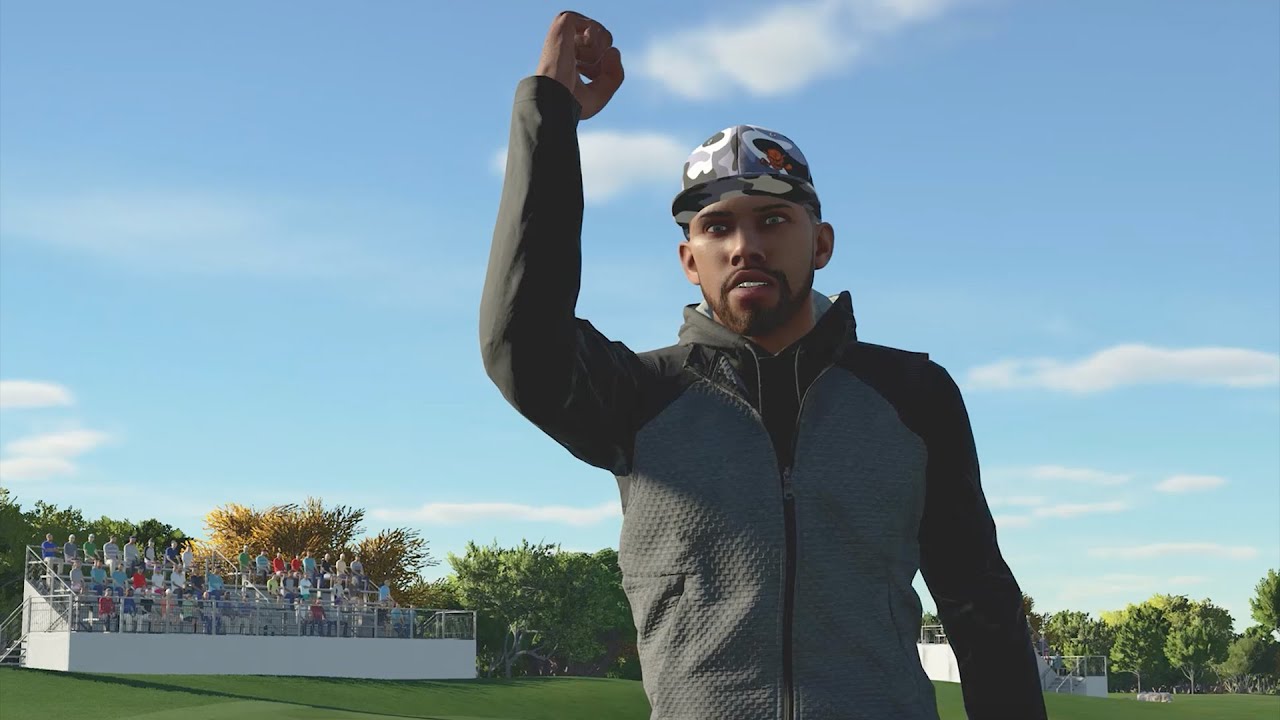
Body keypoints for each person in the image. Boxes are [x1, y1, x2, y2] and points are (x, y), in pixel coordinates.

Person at [478, 12, 1046, 720]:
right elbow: (519, 340)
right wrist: (549, 110)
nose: (745, 245)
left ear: (822, 244)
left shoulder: (914, 395)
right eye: (717, 226)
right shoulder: (637, 396)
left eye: (773, 220)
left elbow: (979, 604)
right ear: (690, 261)